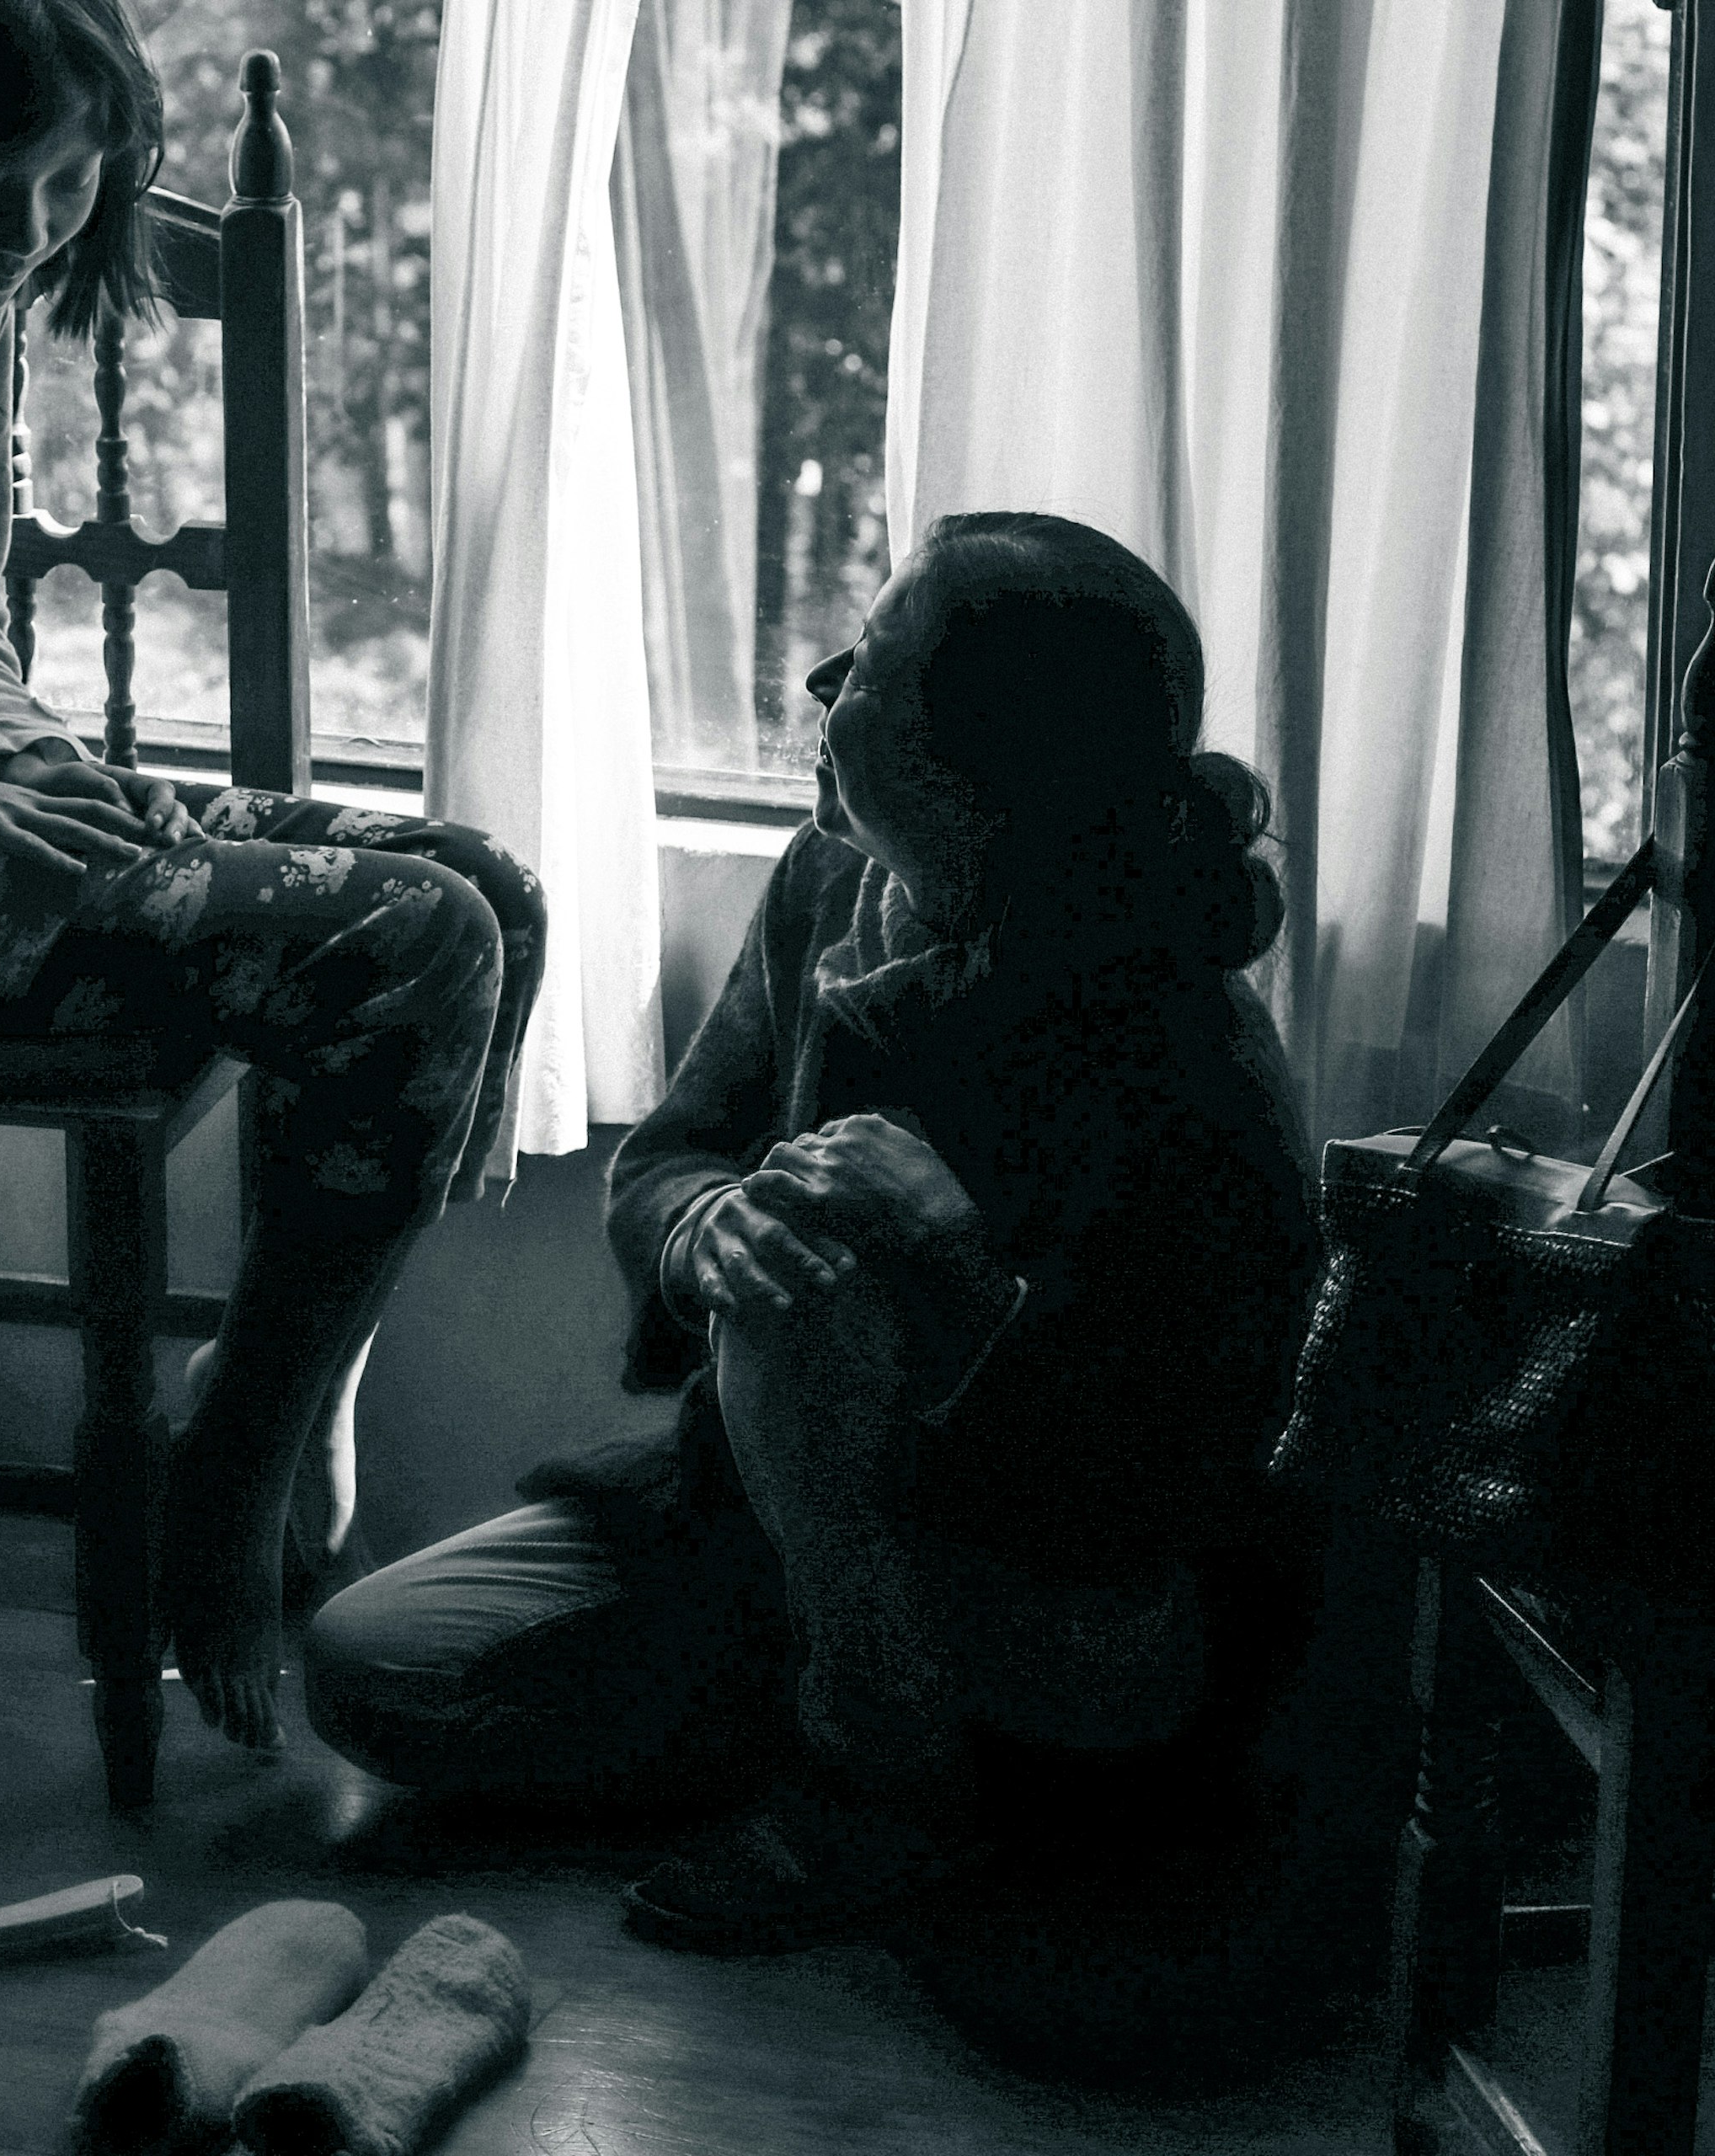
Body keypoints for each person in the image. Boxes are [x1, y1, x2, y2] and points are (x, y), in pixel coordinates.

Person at [0, 0, 544, 1758]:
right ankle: (230, 1479)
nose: (35, 225)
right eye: (0, 180)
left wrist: (13, 750)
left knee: (491, 891)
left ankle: (266, 1393)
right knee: (412, 941)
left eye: (78, 184)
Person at [300, 511, 1321, 1951]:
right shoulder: (827, 885)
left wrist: (970, 1271)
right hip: (762, 1526)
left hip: (1070, 1589)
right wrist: (704, 1230)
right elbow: (674, 1155)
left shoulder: (1187, 1049)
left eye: (875, 668)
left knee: (818, 1284)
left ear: (987, 764)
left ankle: (884, 1779)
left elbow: (1169, 1463)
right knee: (370, 1671)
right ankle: (855, 1715)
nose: (824, 689)